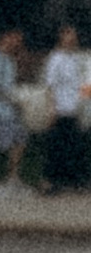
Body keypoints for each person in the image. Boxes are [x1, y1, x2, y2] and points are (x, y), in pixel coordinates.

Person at [0, 26, 29, 194]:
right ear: (6, 37)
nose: (18, 43)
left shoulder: (10, 60)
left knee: (19, 143)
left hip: (12, 111)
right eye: (16, 38)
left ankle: (12, 179)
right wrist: (11, 99)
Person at [46, 23, 90, 193]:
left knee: (76, 146)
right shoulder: (55, 58)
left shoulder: (79, 58)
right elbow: (50, 86)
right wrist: (52, 109)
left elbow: (84, 83)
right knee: (58, 146)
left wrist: (84, 104)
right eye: (67, 36)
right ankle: (54, 181)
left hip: (76, 107)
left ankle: (75, 180)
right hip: (61, 108)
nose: (71, 40)